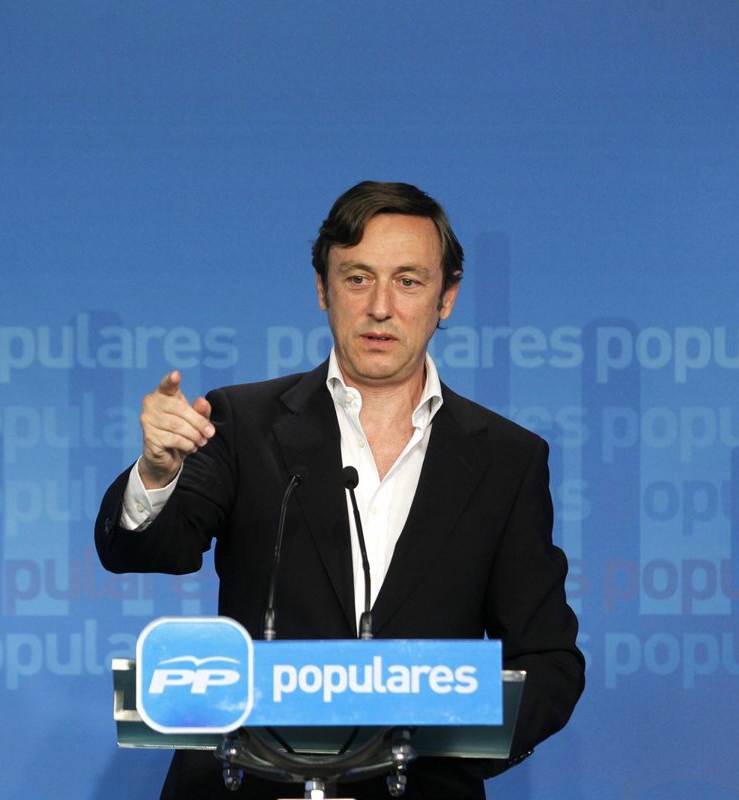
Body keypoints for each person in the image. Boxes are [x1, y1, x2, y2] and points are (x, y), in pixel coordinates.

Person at [95, 181, 584, 799]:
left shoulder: (508, 459)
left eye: (408, 281)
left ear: (447, 297)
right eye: (357, 278)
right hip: (247, 784)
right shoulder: (243, 423)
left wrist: (448, 750)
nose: (381, 306)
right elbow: (146, 547)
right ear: (323, 289)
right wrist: (157, 473)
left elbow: (548, 661)